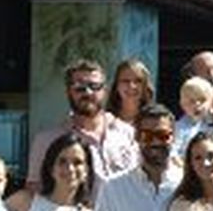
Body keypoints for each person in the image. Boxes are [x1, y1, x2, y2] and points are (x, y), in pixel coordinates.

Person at [26, 59, 138, 193]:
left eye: (94, 86)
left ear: (105, 91)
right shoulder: (46, 141)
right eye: (80, 87)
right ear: (68, 92)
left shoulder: (129, 134)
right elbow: (33, 191)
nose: (88, 93)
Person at [173, 76, 213, 157]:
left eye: (202, 100)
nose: (197, 105)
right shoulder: (179, 127)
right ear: (182, 104)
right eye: (191, 101)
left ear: (211, 102)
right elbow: (173, 153)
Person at [111, 58, 155, 125]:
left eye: (138, 81)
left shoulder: (155, 120)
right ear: (117, 85)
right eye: (125, 81)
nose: (132, 86)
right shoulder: (104, 120)